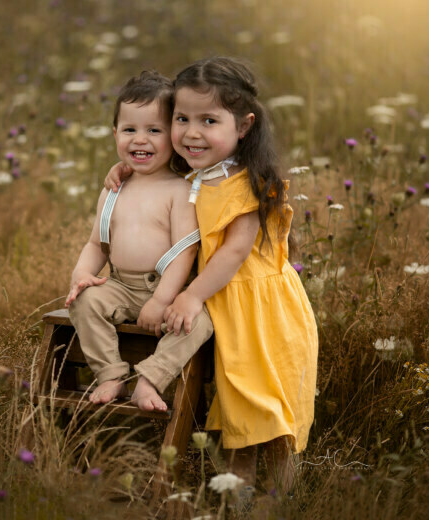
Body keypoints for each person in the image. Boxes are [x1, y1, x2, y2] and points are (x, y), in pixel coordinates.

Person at [104, 57, 318, 495]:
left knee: (264, 412)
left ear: (243, 126)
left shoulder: (248, 183)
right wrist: (128, 170)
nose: (192, 132)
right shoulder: (197, 175)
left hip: (261, 311)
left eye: (209, 120)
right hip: (222, 305)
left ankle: (274, 503)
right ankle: (236, 501)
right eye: (181, 119)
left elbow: (235, 252)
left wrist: (190, 296)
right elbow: (158, 181)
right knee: (236, 414)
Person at [65, 71, 214, 413]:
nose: (140, 140)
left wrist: (162, 300)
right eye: (130, 130)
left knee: (199, 322)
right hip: (118, 284)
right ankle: (111, 375)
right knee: (84, 301)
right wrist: (82, 275)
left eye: (154, 131)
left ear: (173, 136)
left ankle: (149, 380)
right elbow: (96, 244)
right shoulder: (114, 187)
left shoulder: (179, 190)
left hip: (165, 287)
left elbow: (185, 251)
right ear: (115, 133)